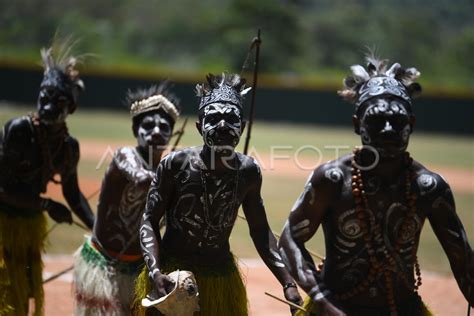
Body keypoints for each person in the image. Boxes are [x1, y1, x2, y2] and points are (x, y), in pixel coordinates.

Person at [278, 55, 474, 316]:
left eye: (398, 120)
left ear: (412, 125)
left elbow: (462, 260)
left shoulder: (428, 188)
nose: (389, 129)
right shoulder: (332, 180)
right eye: (377, 120)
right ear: (357, 124)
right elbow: (290, 238)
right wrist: (323, 302)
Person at [134, 73, 302, 315]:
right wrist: (156, 271)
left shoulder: (248, 171)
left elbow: (260, 231)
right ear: (199, 126)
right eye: (213, 118)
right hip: (172, 276)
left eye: (230, 119)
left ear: (242, 128)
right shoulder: (175, 165)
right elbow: (149, 220)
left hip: (220, 275)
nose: (222, 125)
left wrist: (288, 283)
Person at [0, 41, 95, 315]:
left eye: (58, 100)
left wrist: (97, 229)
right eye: (45, 96)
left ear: (71, 109)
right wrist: (46, 206)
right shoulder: (20, 130)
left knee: (21, 294)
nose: (48, 105)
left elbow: (73, 194)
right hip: (3, 222)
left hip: (28, 226)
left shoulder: (67, 147)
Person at [73, 83, 181, 315]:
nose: (156, 131)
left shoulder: (167, 170)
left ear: (171, 133)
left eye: (164, 127)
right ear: (136, 130)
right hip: (105, 266)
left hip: (140, 267)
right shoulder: (125, 156)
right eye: (148, 125)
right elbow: (140, 178)